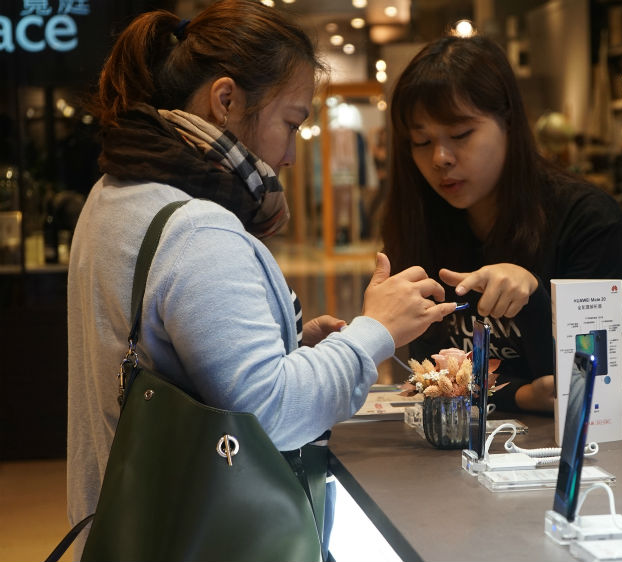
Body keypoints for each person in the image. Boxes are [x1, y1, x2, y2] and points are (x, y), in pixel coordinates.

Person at [66, 1, 455, 558]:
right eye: (291, 122)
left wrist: (298, 352)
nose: (291, 154)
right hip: (192, 539)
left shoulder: (114, 195)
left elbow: (193, 374)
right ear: (226, 101)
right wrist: (374, 331)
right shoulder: (198, 229)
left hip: (123, 528)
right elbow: (268, 416)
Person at [381, 35, 622, 413]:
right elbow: (431, 378)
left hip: (618, 441)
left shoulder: (586, 218)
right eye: (421, 141)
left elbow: (602, 384)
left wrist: (535, 297)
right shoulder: (421, 219)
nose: (440, 158)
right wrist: (520, 396)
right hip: (489, 446)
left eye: (460, 135)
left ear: (508, 122)